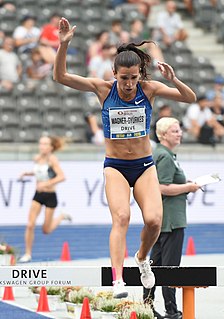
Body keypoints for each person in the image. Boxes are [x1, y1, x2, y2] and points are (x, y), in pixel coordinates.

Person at [53, 17, 196, 298]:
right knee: (121, 216)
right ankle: (117, 279)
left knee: (155, 221)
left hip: (144, 166)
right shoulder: (103, 89)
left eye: (133, 78)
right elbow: (61, 77)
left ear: (139, 73)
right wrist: (63, 46)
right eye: (123, 78)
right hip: (116, 167)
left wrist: (174, 79)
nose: (129, 84)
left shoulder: (149, 89)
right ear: (114, 73)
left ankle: (142, 258)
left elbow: (189, 98)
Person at [143, 117, 200, 319]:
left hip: (162, 219)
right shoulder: (165, 156)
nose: (180, 133)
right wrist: (188, 187)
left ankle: (147, 307)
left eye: (179, 130)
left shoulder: (162, 153)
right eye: (175, 131)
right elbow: (161, 187)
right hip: (171, 221)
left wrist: (186, 184)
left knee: (154, 266)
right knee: (170, 267)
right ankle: (171, 310)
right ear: (164, 134)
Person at [18, 136, 72, 263]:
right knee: (30, 224)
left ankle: (61, 217)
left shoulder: (53, 160)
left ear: (51, 147)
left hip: (50, 196)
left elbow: (62, 177)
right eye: (41, 143)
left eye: (45, 144)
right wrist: (28, 173)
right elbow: (40, 172)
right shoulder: (37, 158)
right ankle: (27, 253)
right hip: (38, 195)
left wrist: (46, 184)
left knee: (46, 230)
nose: (42, 146)